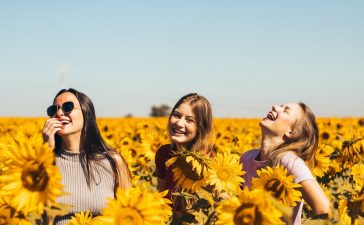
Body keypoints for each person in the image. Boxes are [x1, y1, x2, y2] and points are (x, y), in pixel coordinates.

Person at [42, 88, 131, 225]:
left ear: (86, 112)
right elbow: (35, 209)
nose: (59, 113)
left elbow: (129, 211)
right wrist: (46, 151)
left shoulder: (112, 161)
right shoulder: (42, 163)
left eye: (67, 107)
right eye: (53, 110)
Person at [240, 103, 331, 225]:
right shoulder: (247, 158)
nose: (275, 107)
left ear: (291, 132)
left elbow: (325, 210)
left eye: (285, 110)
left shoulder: (290, 162)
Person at [155, 93, 214, 210]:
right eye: (176, 115)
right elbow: (161, 199)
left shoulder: (211, 163)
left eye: (189, 120)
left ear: (201, 128)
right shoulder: (164, 154)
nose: (179, 123)